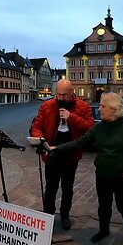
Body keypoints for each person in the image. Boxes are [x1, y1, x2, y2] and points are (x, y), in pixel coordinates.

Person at [51, 92, 123, 245]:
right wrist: (58, 148)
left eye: (103, 106)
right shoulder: (99, 128)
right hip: (102, 175)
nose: (100, 109)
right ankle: (103, 230)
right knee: (104, 206)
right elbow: (80, 142)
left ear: (114, 109)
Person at [30, 79, 94, 230]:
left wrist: (72, 117)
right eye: (57, 94)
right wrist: (40, 140)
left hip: (70, 155)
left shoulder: (83, 107)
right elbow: (36, 126)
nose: (60, 98)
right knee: (50, 188)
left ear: (72, 92)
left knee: (67, 188)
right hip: (51, 153)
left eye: (64, 95)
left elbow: (90, 129)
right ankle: (48, 215)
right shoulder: (47, 105)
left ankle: (65, 215)